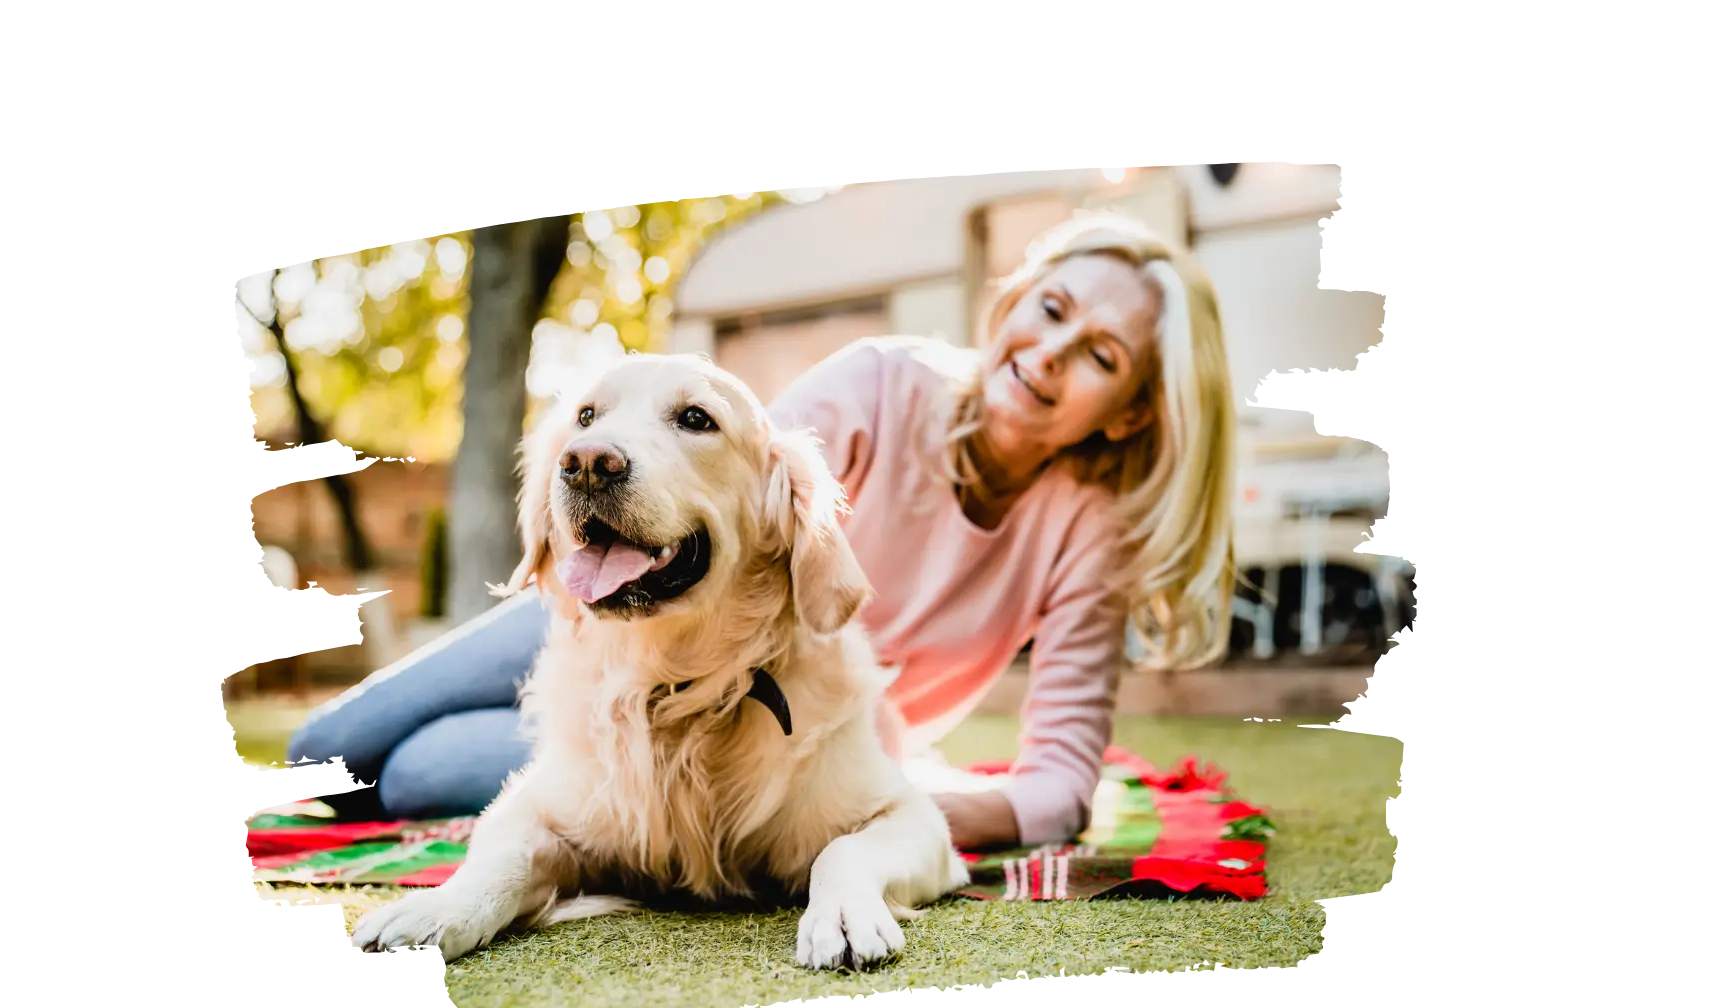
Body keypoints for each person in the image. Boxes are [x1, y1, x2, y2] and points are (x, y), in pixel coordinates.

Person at [285, 210, 1237, 851]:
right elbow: (714, 494)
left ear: (1129, 413)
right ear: (1016, 298)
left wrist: (885, 805)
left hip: (760, 740)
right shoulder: (877, 382)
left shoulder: (1090, 537)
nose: (1050, 353)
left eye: (1100, 355)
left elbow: (1061, 787)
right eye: (1053, 308)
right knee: (328, 748)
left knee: (415, 771)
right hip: (621, 603)